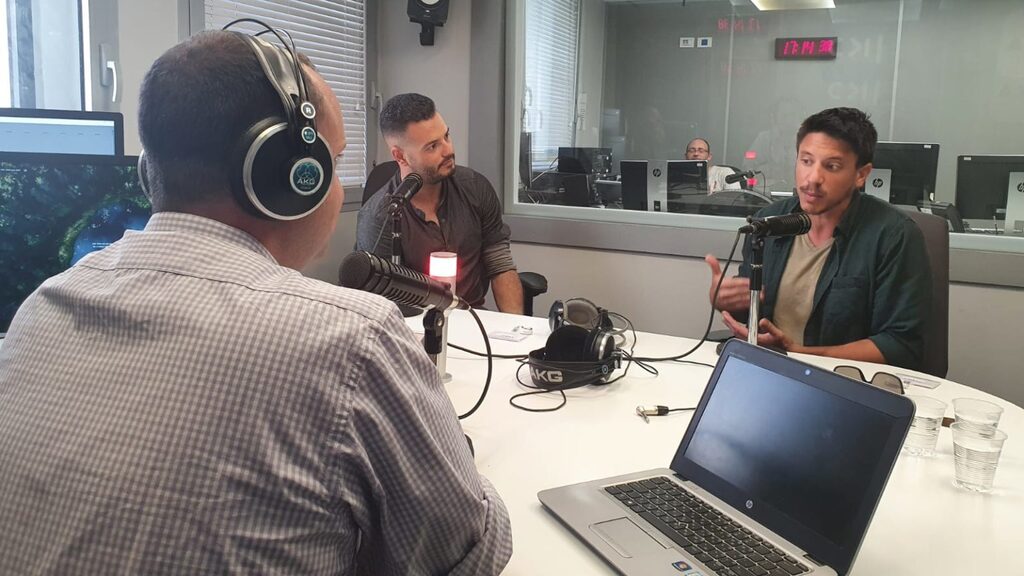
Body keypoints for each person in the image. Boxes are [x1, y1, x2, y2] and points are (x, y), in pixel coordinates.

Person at [0, 30, 511, 575]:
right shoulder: (352, 341)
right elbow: (470, 554)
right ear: (287, 178)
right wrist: (455, 461)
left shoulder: (40, 309)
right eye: (333, 163)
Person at [705, 107, 931, 370]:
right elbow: (752, 311)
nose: (812, 179)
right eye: (806, 161)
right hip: (768, 373)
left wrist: (799, 353)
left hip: (843, 387)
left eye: (831, 166)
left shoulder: (894, 236)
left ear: (861, 174)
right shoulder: (769, 222)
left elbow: (899, 345)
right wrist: (723, 300)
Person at [356, 93, 524, 313]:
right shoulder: (381, 216)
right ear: (400, 156)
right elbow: (380, 305)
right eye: (433, 146)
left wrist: (514, 327)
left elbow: (499, 264)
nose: (448, 150)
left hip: (473, 318)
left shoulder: (475, 187)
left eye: (447, 136)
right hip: (415, 326)